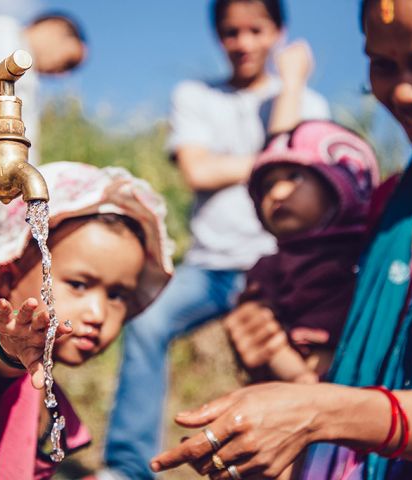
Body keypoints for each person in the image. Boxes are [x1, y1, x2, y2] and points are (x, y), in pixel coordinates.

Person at [150, 1, 412, 479]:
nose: (404, 91)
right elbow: (351, 371)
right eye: (383, 64)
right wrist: (270, 353)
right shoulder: (387, 207)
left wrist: (318, 412)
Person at [101, 1, 330, 479]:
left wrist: (290, 85)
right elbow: (197, 170)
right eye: (231, 32)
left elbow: (276, 165)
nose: (243, 43)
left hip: (276, 264)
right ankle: (126, 467)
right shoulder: (195, 94)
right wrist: (266, 160)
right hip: (208, 265)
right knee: (146, 323)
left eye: (255, 30)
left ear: (278, 33)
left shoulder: (307, 103)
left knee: (276, 358)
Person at [0, 162, 174, 479]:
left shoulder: (46, 387)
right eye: (79, 284)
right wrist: (11, 348)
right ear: (8, 277)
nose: (98, 314)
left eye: (117, 295)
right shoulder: (15, 345)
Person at [225, 119, 379, 385]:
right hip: (298, 381)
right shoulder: (270, 268)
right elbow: (265, 337)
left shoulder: (375, 254)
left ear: (341, 184)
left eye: (295, 177)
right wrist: (300, 378)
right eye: (267, 186)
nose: (278, 193)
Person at [0, 12, 87, 165]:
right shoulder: (6, 32)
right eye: (69, 63)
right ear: (56, 29)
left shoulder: (32, 79)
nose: (63, 75)